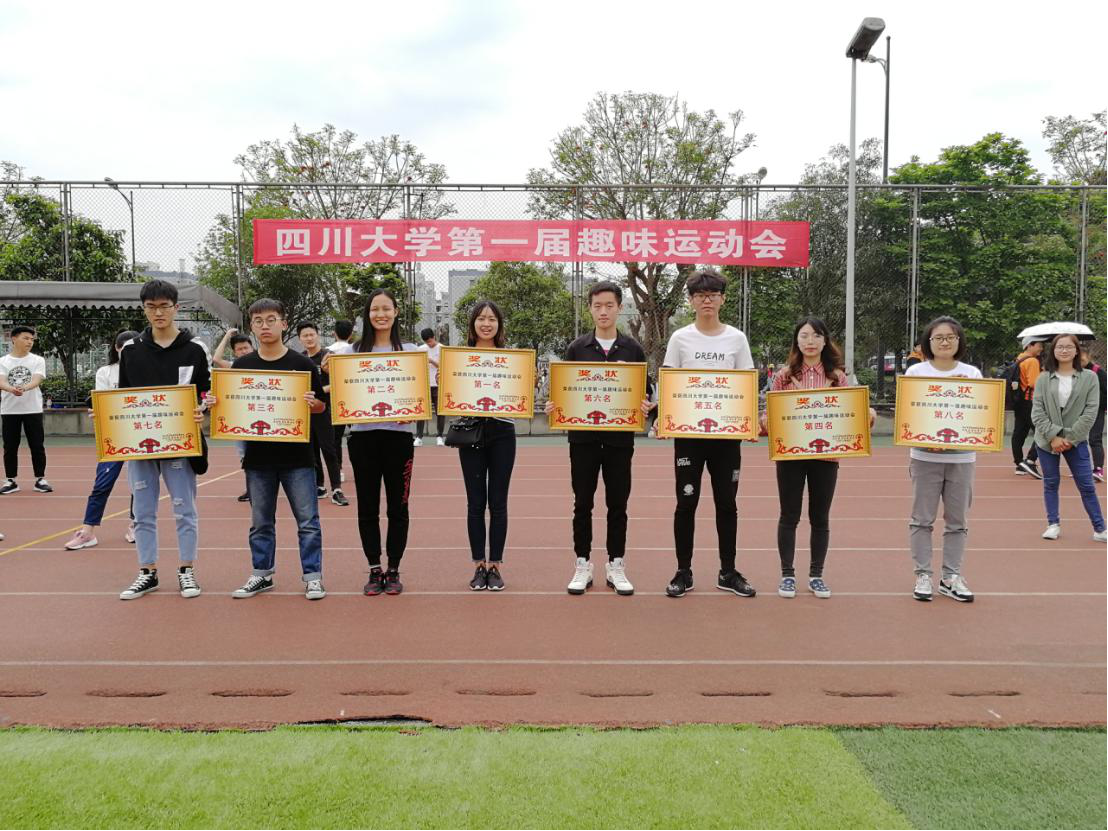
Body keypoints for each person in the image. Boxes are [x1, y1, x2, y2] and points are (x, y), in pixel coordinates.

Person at [207, 299, 328, 600]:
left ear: (284, 324)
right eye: (258, 321)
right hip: (258, 458)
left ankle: (313, 577)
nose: (265, 326)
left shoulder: (302, 365)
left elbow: (321, 407)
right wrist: (216, 403)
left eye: (271, 319)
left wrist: (313, 404)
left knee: (308, 522)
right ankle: (262, 574)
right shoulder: (242, 366)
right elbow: (230, 407)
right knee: (261, 522)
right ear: (252, 326)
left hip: (298, 457)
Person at [647, 269, 757, 599]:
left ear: (723, 299)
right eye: (699, 295)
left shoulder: (736, 339)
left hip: (726, 438)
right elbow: (670, 385)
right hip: (689, 438)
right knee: (686, 502)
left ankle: (728, 572)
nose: (706, 300)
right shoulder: (680, 339)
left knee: (727, 504)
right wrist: (663, 419)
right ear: (692, 301)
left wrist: (749, 421)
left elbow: (746, 385)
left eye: (712, 295)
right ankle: (684, 571)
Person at [544, 281, 650, 596]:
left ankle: (616, 564)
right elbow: (565, 390)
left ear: (620, 308)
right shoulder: (577, 348)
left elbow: (644, 392)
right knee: (583, 503)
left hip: (620, 441)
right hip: (583, 440)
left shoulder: (633, 349)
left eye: (609, 305)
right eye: (597, 306)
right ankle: (582, 563)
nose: (603, 311)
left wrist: (646, 404)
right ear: (589, 308)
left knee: (618, 504)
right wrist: (555, 406)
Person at [764, 317, 875, 600]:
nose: (810, 341)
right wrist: (765, 421)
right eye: (804, 336)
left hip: (827, 457)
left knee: (820, 517)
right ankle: (787, 575)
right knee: (789, 515)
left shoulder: (838, 377)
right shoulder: (784, 376)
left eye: (816, 335)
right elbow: (772, 414)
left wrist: (867, 416)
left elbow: (851, 413)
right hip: (790, 455)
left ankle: (816, 575)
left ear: (825, 341)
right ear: (796, 341)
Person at [116, 280, 210, 600]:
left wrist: (203, 409)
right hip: (141, 443)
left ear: (176, 308)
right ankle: (148, 571)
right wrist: (106, 416)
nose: (158, 312)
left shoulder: (194, 349)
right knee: (142, 512)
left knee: (185, 509)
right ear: (144, 309)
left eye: (164, 306)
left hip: (180, 442)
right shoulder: (131, 350)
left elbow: (206, 392)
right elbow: (123, 397)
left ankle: (186, 570)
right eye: (151, 307)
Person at [905, 316, 980, 603]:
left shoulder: (972, 374)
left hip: (962, 457)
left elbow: (980, 414)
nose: (945, 342)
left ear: (959, 341)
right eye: (938, 337)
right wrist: (925, 439)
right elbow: (909, 413)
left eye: (950, 337)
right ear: (928, 342)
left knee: (957, 520)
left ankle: (951, 576)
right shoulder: (916, 372)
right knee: (922, 519)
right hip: (924, 456)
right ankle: (923, 574)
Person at [347, 291, 417, 596]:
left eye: (386, 308)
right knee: (367, 506)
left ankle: (394, 568)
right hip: (363, 438)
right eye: (375, 309)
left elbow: (419, 396)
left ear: (396, 312)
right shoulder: (352, 353)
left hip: (399, 439)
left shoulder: (410, 352)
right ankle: (375, 568)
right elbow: (343, 391)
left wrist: (412, 409)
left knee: (398, 507)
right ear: (367, 314)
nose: (381, 314)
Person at [457, 300, 516, 592]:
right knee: (475, 502)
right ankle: (478, 565)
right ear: (472, 324)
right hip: (471, 431)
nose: (486, 323)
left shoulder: (512, 359)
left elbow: (519, 394)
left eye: (492, 319)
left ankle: (495, 566)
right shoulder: (460, 359)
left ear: (499, 325)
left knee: (499, 502)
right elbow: (452, 394)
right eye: (481, 318)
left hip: (503, 431)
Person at [63, 330, 140, 550]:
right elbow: (102, 402)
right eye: (124, 347)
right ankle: (88, 531)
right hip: (114, 435)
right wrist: (99, 410)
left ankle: (136, 524)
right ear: (116, 348)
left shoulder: (147, 370)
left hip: (141, 434)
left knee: (139, 484)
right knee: (102, 483)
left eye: (134, 347)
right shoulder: (105, 372)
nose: (129, 352)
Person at [1032, 334, 1107, 542]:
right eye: (1059, 347)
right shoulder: (1043, 378)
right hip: (1046, 441)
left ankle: (1100, 529)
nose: (1064, 350)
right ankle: (1053, 524)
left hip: (1077, 440)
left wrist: (1070, 439)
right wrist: (1054, 437)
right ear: (1053, 351)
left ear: (1077, 351)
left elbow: (1091, 411)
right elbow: (1037, 412)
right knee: (1050, 483)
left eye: (1068, 347)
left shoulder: (1089, 377)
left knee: (1086, 485)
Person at [297, 321, 347, 506]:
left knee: (329, 449)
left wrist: (317, 392)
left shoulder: (328, 356)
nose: (309, 338)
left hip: (326, 410)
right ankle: (319, 485)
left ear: (317, 335)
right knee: (311, 451)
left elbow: (339, 382)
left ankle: (337, 489)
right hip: (306, 411)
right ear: (300, 339)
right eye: (305, 336)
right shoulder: (300, 359)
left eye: (312, 334)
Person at [0, 324, 51, 495]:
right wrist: (11, 389)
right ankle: (11, 480)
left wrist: (24, 388)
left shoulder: (37, 360)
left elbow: (37, 379)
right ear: (14, 339)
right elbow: (1, 381)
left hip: (33, 409)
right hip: (9, 410)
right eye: (26, 338)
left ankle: (40, 479)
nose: (30, 342)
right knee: (10, 446)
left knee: (37, 445)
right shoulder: (3, 361)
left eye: (32, 339)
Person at [217, 333, 258, 503]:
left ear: (252, 347)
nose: (243, 351)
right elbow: (216, 359)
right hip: (241, 418)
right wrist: (227, 336)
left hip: (261, 417)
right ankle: (251, 489)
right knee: (244, 454)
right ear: (234, 352)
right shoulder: (234, 366)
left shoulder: (262, 365)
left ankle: (262, 488)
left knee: (262, 455)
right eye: (239, 349)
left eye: (246, 348)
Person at [1011, 337, 1045, 479]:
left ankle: (1019, 463)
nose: (1041, 348)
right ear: (1030, 345)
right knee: (1043, 432)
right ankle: (1030, 461)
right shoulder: (1032, 361)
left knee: (1019, 432)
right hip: (1029, 401)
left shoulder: (1019, 359)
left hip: (1019, 401)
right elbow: (1034, 383)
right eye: (1039, 345)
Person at [325, 319, 355, 476]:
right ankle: (360, 467)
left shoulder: (327, 352)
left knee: (335, 438)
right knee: (358, 435)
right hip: (354, 398)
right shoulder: (356, 350)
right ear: (351, 334)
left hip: (335, 398)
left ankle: (339, 470)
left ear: (334, 333)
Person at [415, 327, 445, 446]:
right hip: (424, 384)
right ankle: (418, 437)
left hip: (438, 384)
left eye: (430, 341)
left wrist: (431, 361)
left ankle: (439, 436)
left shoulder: (442, 348)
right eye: (427, 342)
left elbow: (445, 366)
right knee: (422, 411)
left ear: (434, 337)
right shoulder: (420, 349)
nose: (429, 344)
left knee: (440, 412)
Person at [1080, 346, 1106, 483]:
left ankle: (1098, 469)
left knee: (1095, 439)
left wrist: (1101, 405)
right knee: (1077, 438)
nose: (1079, 361)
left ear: (1088, 357)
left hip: (1096, 410)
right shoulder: (1074, 372)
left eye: (1082, 359)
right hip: (1078, 410)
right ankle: (1081, 468)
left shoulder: (1098, 372)